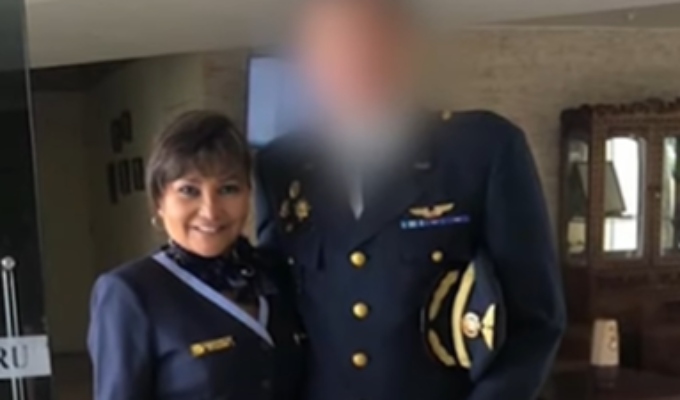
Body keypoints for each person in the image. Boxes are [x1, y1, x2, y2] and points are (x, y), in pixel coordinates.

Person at [254, 1, 566, 400]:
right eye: (331, 44)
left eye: (365, 37)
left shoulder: (481, 150)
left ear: (402, 45)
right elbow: (276, 314)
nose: (350, 57)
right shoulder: (281, 166)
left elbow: (536, 321)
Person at [87, 111, 306, 400]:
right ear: (159, 201)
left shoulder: (272, 273)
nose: (210, 211)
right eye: (189, 190)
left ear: (248, 195)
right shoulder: (131, 292)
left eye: (228, 189)